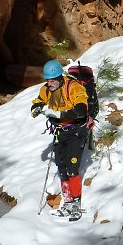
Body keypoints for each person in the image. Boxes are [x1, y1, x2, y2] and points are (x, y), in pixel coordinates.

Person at [30, 59, 92, 217]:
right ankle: (68, 202)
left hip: (75, 131)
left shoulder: (73, 87)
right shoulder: (46, 90)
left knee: (72, 169)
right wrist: (37, 108)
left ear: (59, 78)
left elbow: (80, 110)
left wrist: (58, 114)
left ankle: (76, 205)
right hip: (59, 132)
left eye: (52, 80)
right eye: (47, 80)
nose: (49, 83)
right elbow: (38, 102)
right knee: (61, 168)